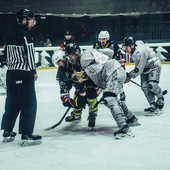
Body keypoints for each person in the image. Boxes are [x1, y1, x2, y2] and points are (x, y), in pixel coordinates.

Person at [66, 43, 139, 139]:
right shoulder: (90, 51)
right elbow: (110, 52)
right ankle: (131, 118)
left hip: (112, 73)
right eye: (69, 56)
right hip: (113, 72)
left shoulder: (83, 59)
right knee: (113, 99)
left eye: (71, 55)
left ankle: (124, 127)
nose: (71, 58)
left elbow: (98, 66)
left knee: (109, 99)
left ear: (77, 51)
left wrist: (84, 74)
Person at [1, 9, 42, 146]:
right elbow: (30, 55)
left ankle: (7, 131)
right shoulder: (26, 36)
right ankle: (26, 134)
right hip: (24, 74)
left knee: (12, 103)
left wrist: (8, 72)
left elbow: (5, 55)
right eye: (30, 19)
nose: (32, 22)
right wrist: (34, 71)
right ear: (24, 20)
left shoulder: (9, 34)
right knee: (29, 104)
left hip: (11, 74)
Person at [52, 49, 98, 128]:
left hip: (91, 83)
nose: (59, 66)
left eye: (59, 63)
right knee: (77, 101)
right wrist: (65, 98)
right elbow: (63, 86)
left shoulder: (77, 62)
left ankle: (92, 115)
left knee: (91, 96)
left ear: (64, 59)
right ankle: (76, 115)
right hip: (79, 87)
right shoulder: (61, 72)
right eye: (57, 64)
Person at [123, 37, 164, 115]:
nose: (125, 49)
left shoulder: (139, 53)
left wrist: (129, 75)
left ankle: (160, 98)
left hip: (153, 66)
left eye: (126, 47)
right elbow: (140, 42)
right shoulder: (135, 46)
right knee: (144, 87)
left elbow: (138, 69)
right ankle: (153, 105)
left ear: (132, 46)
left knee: (152, 85)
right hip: (145, 68)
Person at [93, 31, 126, 101]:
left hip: (112, 66)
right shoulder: (96, 45)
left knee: (116, 79)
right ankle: (105, 95)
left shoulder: (113, 45)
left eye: (104, 39)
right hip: (102, 67)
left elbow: (120, 57)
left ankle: (122, 92)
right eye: (101, 39)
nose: (102, 41)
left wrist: (122, 68)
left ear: (107, 38)